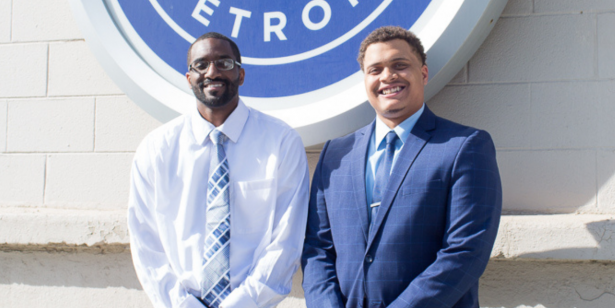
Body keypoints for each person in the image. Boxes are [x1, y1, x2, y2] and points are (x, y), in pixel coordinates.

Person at [301, 26, 502, 308]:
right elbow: (317, 248)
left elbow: (466, 252)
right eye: (375, 69)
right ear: (365, 79)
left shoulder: (465, 146)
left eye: (399, 65)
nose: (387, 76)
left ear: (423, 74)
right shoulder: (335, 154)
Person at [128, 32, 309, 308]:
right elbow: (145, 244)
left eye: (224, 63)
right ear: (189, 79)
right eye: (201, 65)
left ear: (241, 74)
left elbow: (286, 242)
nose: (212, 71)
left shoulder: (281, 142)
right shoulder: (156, 150)